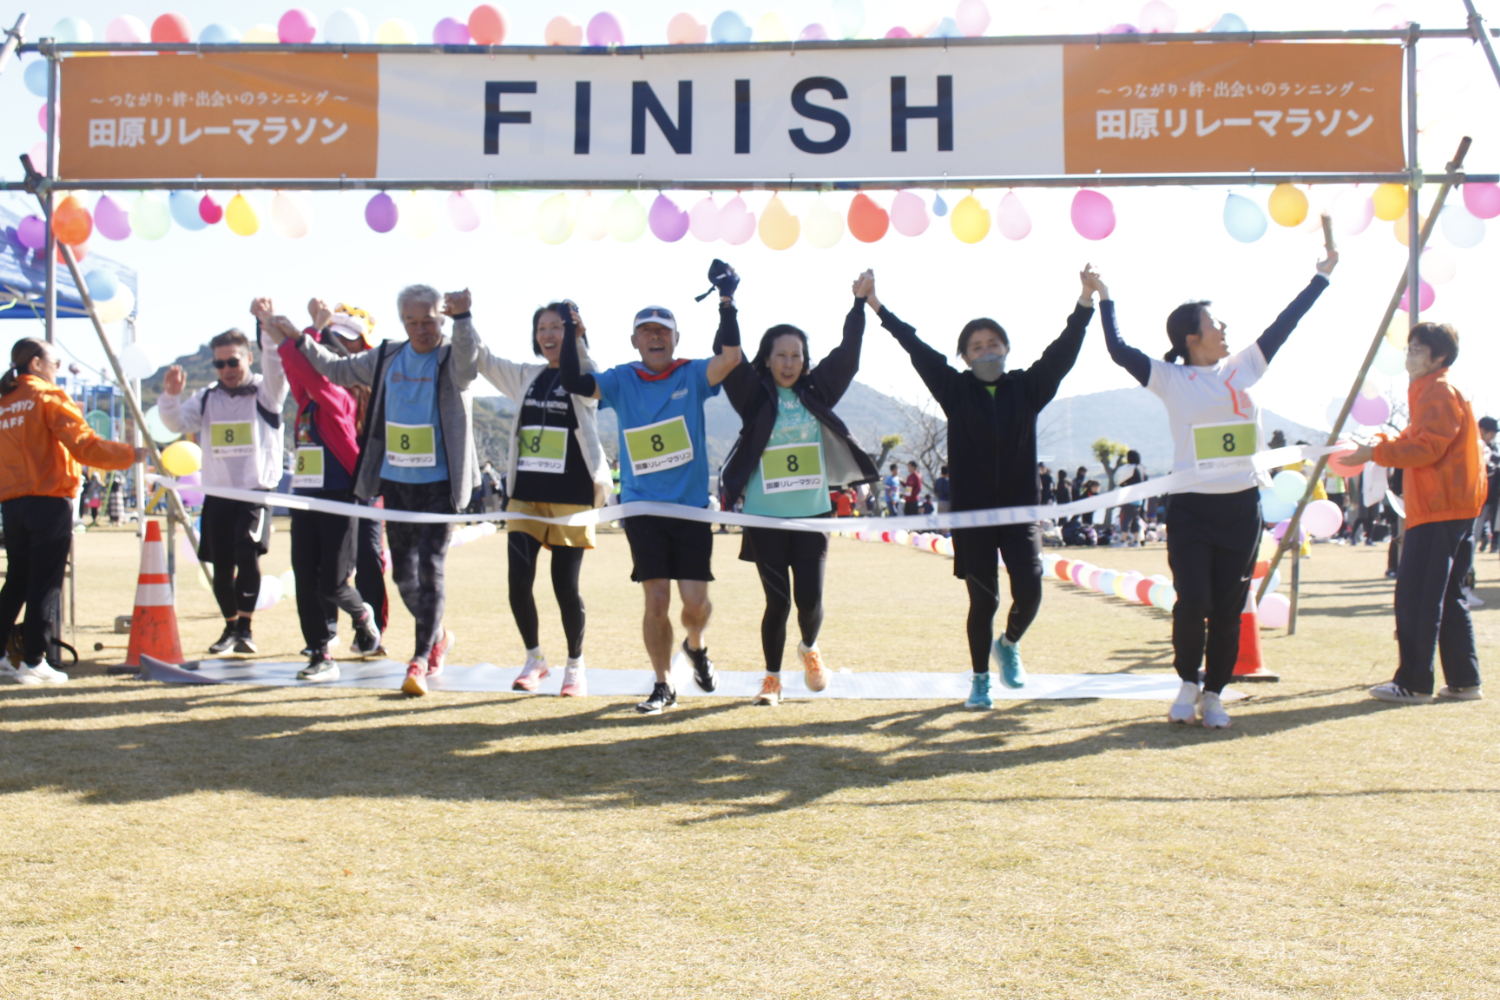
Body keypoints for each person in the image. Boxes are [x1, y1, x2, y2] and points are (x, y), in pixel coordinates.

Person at [1095, 249, 1337, 729]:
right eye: (1214, 323)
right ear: (1192, 338)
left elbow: (1285, 324)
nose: (1224, 328)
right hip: (1191, 509)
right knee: (1193, 602)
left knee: (1229, 607)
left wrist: (1320, 279)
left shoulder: (1244, 366)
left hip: (1241, 507)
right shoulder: (1170, 378)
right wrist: (1104, 296)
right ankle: (1188, 681)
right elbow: (1119, 350)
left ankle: (1215, 694)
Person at [867, 267, 1097, 710]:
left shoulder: (1027, 387)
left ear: (1006, 349)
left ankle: (1008, 644)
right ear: (964, 357)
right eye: (976, 347)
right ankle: (979, 682)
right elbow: (914, 345)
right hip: (972, 516)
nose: (986, 351)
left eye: (993, 344)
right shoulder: (954, 389)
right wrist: (877, 305)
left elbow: (1063, 351)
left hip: (1019, 512)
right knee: (983, 600)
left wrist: (1085, 302)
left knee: (1030, 589)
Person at [559, 261, 743, 714]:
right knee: (656, 599)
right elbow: (575, 382)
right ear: (634, 340)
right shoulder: (621, 379)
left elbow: (730, 359)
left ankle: (696, 646)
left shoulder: (691, 374)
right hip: (643, 508)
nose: (655, 337)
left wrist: (727, 301)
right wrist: (572, 335)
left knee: (695, 604)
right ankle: (663, 684)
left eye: (663, 331)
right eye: (646, 331)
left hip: (690, 509)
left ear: (676, 339)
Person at [299, 284, 480, 697]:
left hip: (440, 485)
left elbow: (470, 366)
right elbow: (335, 370)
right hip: (397, 484)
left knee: (431, 568)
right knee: (403, 576)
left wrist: (464, 319)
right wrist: (299, 338)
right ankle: (438, 637)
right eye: (411, 322)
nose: (421, 329)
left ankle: (419, 659)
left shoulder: (451, 356)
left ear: (441, 318)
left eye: (429, 321)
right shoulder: (387, 356)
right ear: (402, 322)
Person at [719, 270, 880, 706]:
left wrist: (858, 305)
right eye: (781, 355)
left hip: (813, 516)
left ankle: (809, 647)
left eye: (796, 356)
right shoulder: (754, 397)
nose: (789, 363)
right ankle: (771, 681)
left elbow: (848, 355)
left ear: (805, 361)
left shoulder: (816, 392)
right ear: (768, 359)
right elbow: (728, 356)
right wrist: (727, 304)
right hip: (765, 518)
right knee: (778, 603)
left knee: (809, 601)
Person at [466, 296, 611, 698]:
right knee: (518, 581)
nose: (548, 334)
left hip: (571, 497)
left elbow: (587, 376)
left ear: (572, 333)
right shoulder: (526, 376)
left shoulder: (584, 373)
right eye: (542, 328)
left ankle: (575, 666)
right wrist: (463, 317)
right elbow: (485, 360)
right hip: (526, 496)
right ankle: (535, 659)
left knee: (565, 587)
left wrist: (577, 336)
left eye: (557, 328)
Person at [1344, 323, 1484, 704]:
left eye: (1419, 349)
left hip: (1439, 505)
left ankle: (1414, 681)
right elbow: (1416, 438)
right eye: (1410, 348)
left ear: (1440, 357)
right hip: (1451, 504)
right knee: (1448, 594)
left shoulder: (1438, 391)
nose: (1411, 355)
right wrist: (1380, 443)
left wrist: (1376, 452)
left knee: (1417, 594)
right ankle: (1464, 680)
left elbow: (1426, 449)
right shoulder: (1434, 389)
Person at [0, 339, 144, 684]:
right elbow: (84, 445)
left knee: (16, 581)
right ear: (37, 364)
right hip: (48, 500)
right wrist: (130, 455)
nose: (58, 369)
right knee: (45, 581)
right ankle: (34, 660)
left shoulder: (4, 402)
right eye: (56, 362)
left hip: (12, 504)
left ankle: (6, 656)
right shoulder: (48, 397)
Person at [255, 299, 384, 682]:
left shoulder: (339, 397)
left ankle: (362, 615)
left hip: (340, 497)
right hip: (305, 498)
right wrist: (269, 327)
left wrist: (304, 331)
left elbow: (306, 371)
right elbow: (294, 369)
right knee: (305, 579)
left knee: (333, 583)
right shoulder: (306, 399)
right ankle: (320, 653)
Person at [160, 323, 289, 655]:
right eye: (220, 364)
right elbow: (176, 423)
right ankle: (230, 627)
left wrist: (267, 332)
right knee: (221, 566)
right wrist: (170, 396)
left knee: (247, 552)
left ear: (249, 358)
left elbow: (277, 372)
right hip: (218, 495)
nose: (227, 369)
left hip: (255, 493)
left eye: (233, 361)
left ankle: (245, 628)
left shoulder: (265, 392)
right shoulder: (207, 397)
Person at [1475, 416, 1499, 554]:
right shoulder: (1475, 444)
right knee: (1474, 531)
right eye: (1492, 432)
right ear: (1482, 430)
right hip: (1478, 496)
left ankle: (1492, 543)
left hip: (1492, 495)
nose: (1494, 435)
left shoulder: (1492, 447)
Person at [1117, 450, 1146, 546]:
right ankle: (1136, 541)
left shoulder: (1131, 468)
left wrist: (1125, 484)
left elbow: (1120, 482)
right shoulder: (1141, 468)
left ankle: (1123, 541)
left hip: (1129, 498)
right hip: (1139, 499)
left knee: (1125, 519)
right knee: (1136, 520)